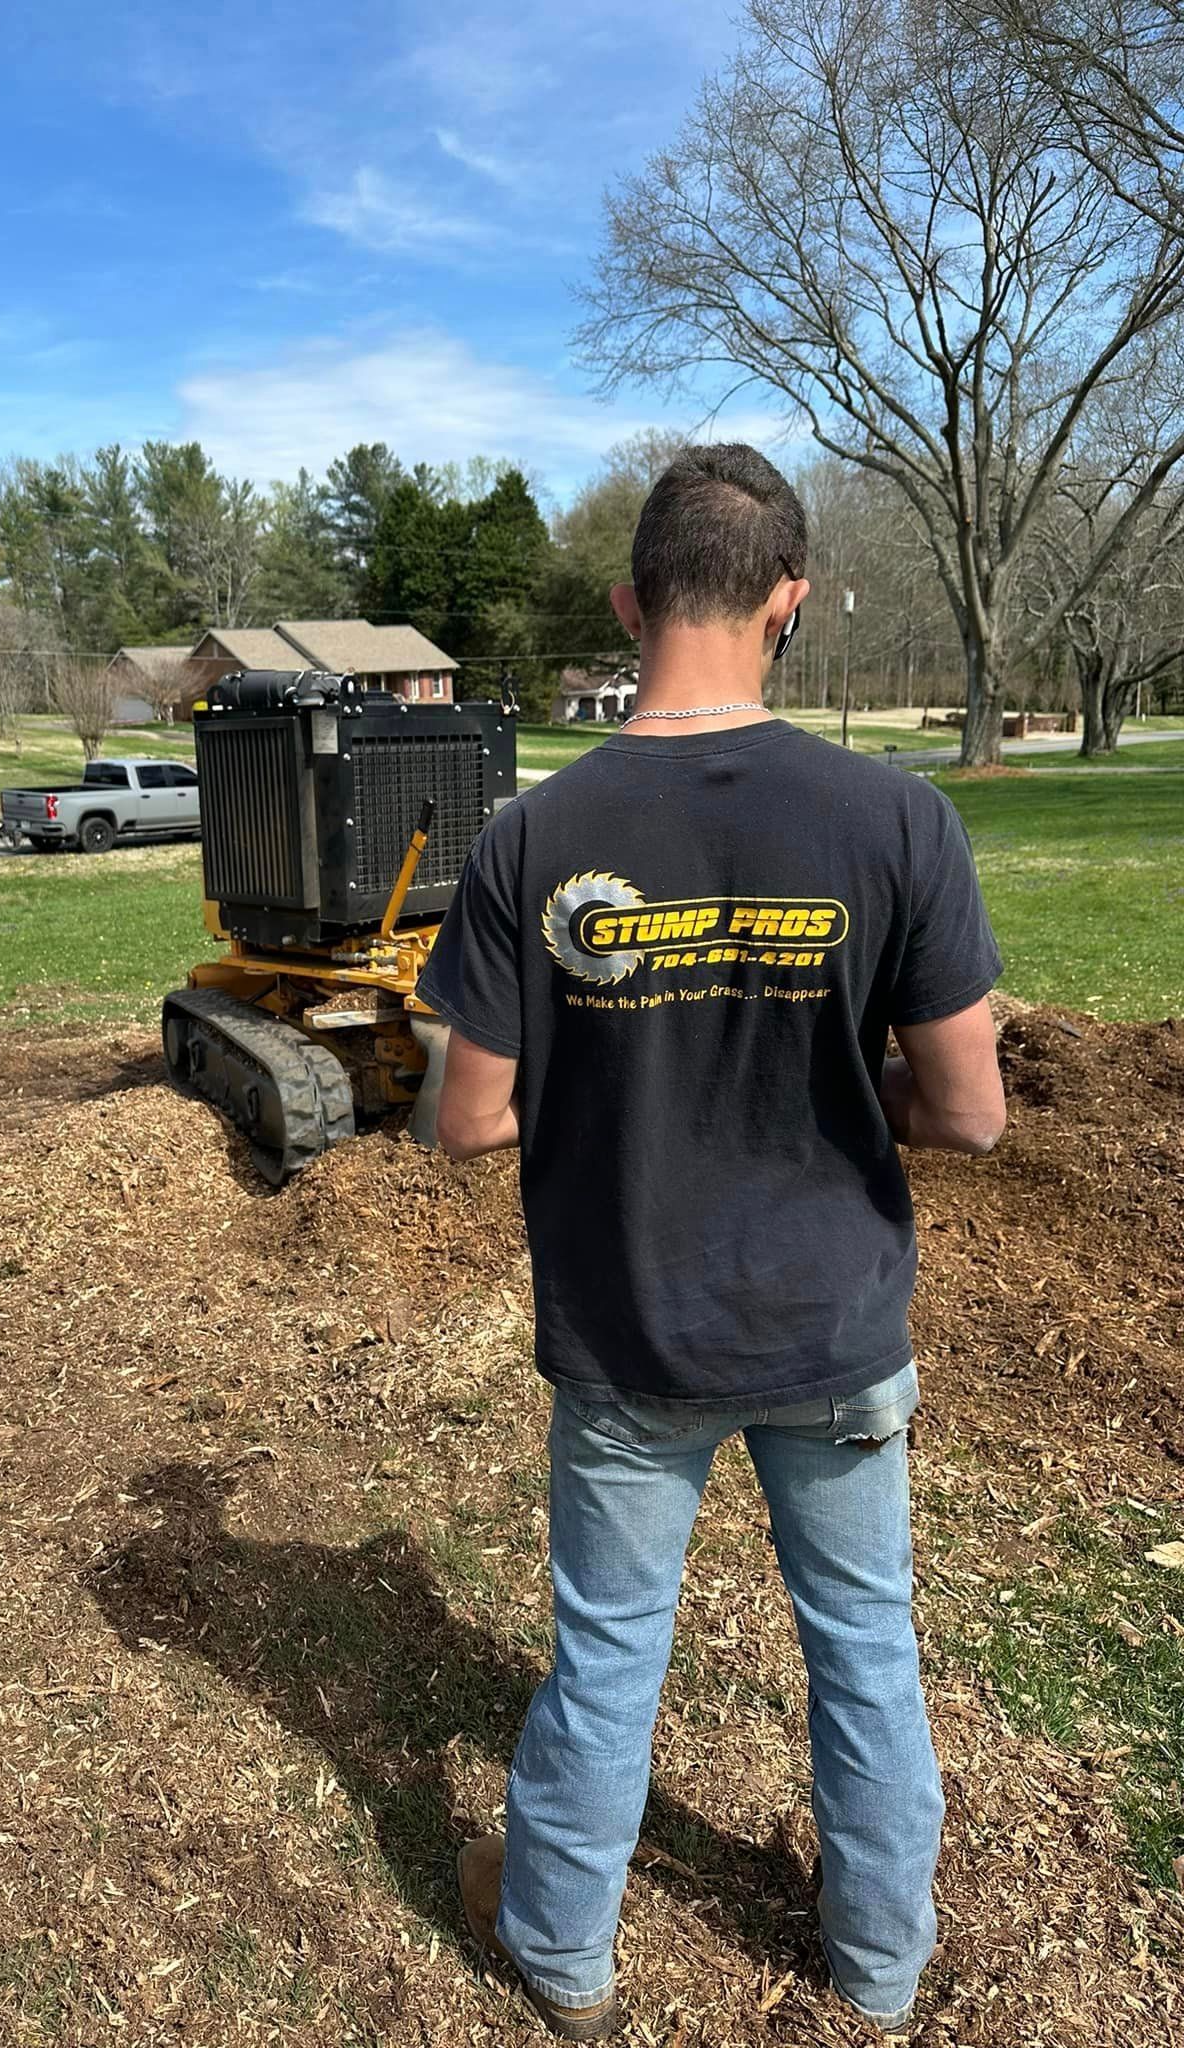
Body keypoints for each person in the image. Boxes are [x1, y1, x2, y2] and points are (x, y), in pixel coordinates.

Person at [415, 443, 1005, 2041]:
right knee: (868, 1649)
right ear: (791, 600)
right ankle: (879, 1975)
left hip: (632, 1328)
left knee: (609, 1654)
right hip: (835, 1329)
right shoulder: (899, 819)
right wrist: (835, 1064)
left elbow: (465, 1120)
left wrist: (615, 1075)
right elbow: (971, 1111)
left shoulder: (533, 838)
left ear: (629, 601)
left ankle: (559, 1955)